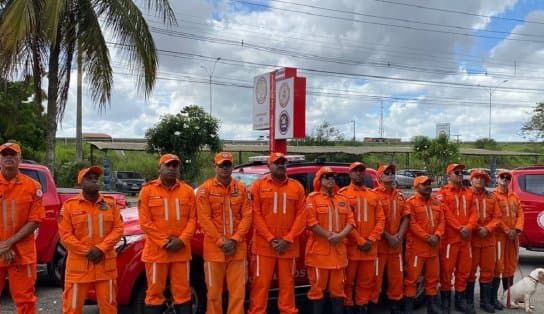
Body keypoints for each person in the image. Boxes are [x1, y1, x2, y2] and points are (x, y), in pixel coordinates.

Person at [58, 166, 124, 314]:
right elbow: (65, 236)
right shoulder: (69, 206)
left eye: (96, 177)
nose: (94, 180)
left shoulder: (111, 204)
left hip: (105, 266)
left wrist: (101, 248)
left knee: (109, 308)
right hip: (78, 268)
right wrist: (88, 251)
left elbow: (118, 229)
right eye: (89, 178)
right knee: (72, 309)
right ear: (80, 184)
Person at [248, 152, 306, 314]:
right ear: (269, 166)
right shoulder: (258, 186)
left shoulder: (297, 187)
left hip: (288, 247)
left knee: (288, 285)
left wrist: (287, 239)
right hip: (264, 247)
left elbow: (302, 216)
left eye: (283, 162)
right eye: (276, 162)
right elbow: (255, 215)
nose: (280, 165)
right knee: (260, 285)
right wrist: (270, 238)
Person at [138, 153, 196, 314]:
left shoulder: (188, 191)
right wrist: (164, 242)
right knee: (154, 293)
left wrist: (181, 241)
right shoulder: (147, 191)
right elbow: (145, 222)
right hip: (157, 253)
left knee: (183, 293)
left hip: (181, 252)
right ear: (160, 168)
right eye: (168, 165)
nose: (172, 169)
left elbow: (193, 220)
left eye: (175, 166)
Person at [196, 152, 252, 314]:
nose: (225, 168)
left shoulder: (241, 189)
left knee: (238, 294)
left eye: (228, 165)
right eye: (221, 165)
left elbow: (247, 216)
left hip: (237, 249)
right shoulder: (205, 189)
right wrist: (221, 241)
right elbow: (204, 219)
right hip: (214, 250)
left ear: (232, 167)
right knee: (213, 294)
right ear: (215, 167)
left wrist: (234, 240)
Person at [0, 142, 45, 314]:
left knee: (25, 300)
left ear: (20, 158)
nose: (9, 157)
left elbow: (35, 220)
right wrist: (3, 246)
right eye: (5, 154)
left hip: (22, 254)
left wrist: (8, 244)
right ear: (0, 159)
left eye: (13, 154)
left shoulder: (33, 186)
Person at [305, 166, 355, 314]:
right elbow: (311, 223)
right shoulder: (312, 198)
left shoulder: (343, 199)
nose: (331, 179)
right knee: (317, 291)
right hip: (319, 256)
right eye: (326, 176)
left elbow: (351, 222)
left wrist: (339, 236)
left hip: (338, 256)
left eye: (332, 176)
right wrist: (329, 236)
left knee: (338, 292)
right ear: (319, 180)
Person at [338, 162, 385, 314]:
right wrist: (359, 240)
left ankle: (362, 306)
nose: (358, 173)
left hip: (369, 248)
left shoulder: (373, 195)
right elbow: (344, 221)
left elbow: (381, 220)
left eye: (361, 171)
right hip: (351, 247)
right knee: (347, 281)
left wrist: (371, 239)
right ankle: (348, 306)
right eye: (355, 171)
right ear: (350, 174)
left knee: (366, 282)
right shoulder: (343, 194)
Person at [436, 164, 478, 313]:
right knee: (446, 272)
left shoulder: (469, 193)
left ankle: (460, 301)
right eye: (457, 172)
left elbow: (474, 213)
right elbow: (445, 214)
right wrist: (460, 228)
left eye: (462, 172)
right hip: (450, 241)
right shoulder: (442, 193)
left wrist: (469, 227)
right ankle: (446, 303)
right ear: (449, 175)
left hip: (465, 240)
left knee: (464, 272)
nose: (460, 174)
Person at [403, 176, 445, 314]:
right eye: (424, 184)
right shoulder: (410, 203)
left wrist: (437, 235)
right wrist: (427, 237)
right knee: (412, 280)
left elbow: (442, 222)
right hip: (417, 250)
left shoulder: (436, 203)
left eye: (429, 184)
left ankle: (431, 307)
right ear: (416, 187)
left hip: (433, 249)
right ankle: (408, 308)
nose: (428, 186)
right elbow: (412, 224)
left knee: (433, 279)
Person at [371, 164, 410, 314]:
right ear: (379, 177)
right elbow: (374, 221)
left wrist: (399, 236)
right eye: (387, 172)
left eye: (392, 172)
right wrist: (388, 237)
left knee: (397, 279)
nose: (391, 175)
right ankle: (373, 307)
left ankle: (395, 307)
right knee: (375, 280)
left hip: (396, 246)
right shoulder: (373, 195)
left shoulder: (399, 195)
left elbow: (406, 217)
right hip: (380, 246)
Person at [466, 169, 501, 314]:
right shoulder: (466, 195)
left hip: (488, 239)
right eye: (476, 177)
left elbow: (497, 217)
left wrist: (487, 229)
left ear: (486, 181)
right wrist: (476, 228)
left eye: (482, 178)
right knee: (469, 271)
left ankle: (485, 301)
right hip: (472, 240)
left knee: (488, 272)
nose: (479, 180)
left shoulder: (491, 197)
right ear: (471, 180)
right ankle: (468, 301)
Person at [492, 170, 524, 309]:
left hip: (513, 237)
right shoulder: (492, 196)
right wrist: (506, 230)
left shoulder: (514, 196)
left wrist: (516, 230)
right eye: (502, 177)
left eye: (507, 178)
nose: (505, 179)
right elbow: (495, 216)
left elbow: (521, 214)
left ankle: (508, 298)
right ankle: (492, 299)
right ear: (497, 179)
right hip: (499, 237)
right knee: (497, 267)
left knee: (510, 267)